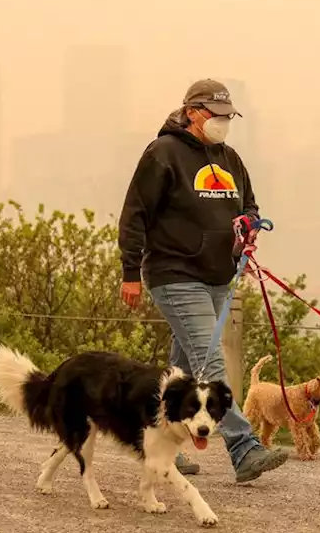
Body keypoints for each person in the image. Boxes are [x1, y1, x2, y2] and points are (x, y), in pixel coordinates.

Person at [118, 78, 290, 483]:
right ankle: (243, 448)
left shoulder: (229, 158)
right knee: (210, 362)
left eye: (229, 117)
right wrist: (130, 272)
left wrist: (248, 228)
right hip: (174, 274)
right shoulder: (163, 154)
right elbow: (135, 213)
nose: (224, 123)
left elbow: (249, 204)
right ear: (194, 113)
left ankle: (161, 440)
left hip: (218, 277)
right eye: (218, 116)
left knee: (182, 369)